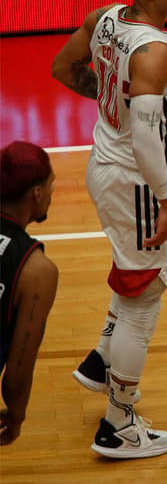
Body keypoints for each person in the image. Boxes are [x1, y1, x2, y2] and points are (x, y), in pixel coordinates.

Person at [51, 0, 167, 459]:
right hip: (135, 180)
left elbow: (63, 69)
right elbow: (144, 139)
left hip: (104, 166)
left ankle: (98, 363)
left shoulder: (105, 18)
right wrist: (166, 196)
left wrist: (109, 101)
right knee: (145, 293)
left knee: (130, 272)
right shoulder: (154, 50)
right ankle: (119, 423)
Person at [1, 142, 59, 446]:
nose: (52, 195)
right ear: (36, 193)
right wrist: (16, 415)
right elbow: (16, 374)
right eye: (51, 186)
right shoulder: (37, 271)